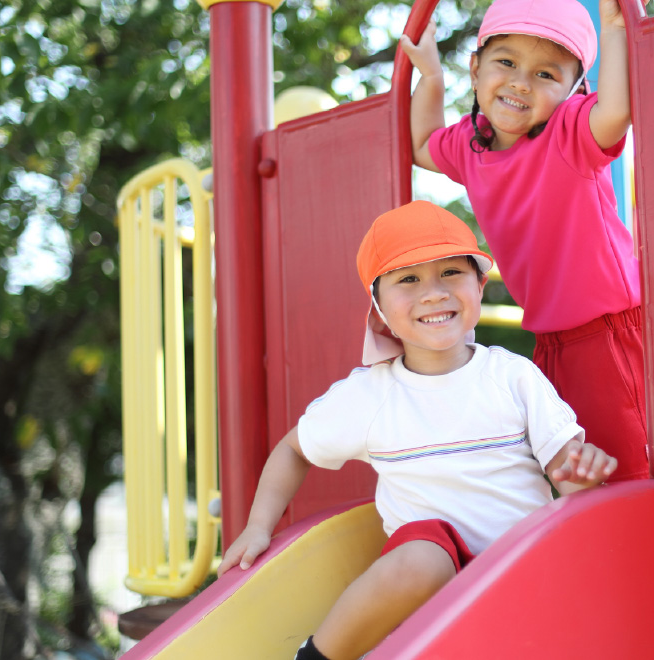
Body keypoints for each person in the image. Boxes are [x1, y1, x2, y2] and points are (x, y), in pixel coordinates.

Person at [217, 200, 618, 660]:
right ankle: (316, 658)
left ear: (480, 285)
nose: (434, 293)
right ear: (379, 307)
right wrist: (258, 526)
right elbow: (294, 450)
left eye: (451, 273)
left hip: (518, 576)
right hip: (426, 587)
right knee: (424, 554)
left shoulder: (512, 376)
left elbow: (568, 468)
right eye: (408, 279)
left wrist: (583, 477)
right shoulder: (370, 395)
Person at [400, 0, 649, 482]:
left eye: (545, 74)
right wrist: (431, 76)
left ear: (575, 90)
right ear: (475, 69)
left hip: (610, 333)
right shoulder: (472, 143)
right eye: (506, 62)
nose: (520, 82)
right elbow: (421, 143)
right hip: (551, 341)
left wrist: (617, 28)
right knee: (573, 479)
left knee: (627, 473)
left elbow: (616, 111)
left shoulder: (570, 130)